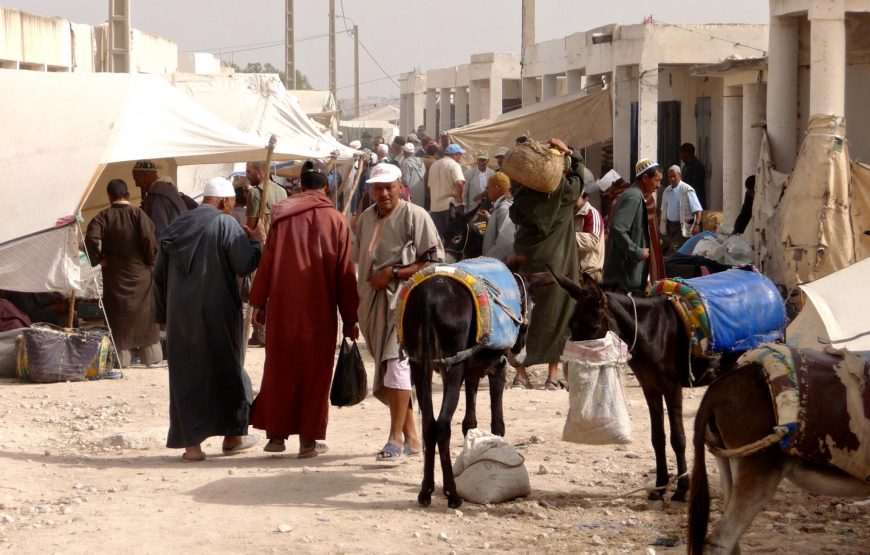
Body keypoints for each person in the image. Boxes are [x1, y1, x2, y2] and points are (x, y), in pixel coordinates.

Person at [248, 169, 359, 458]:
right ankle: (308, 441)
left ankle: (276, 436)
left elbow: (267, 261)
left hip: (283, 308)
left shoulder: (282, 218)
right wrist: (350, 318)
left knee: (279, 370)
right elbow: (345, 274)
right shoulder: (336, 220)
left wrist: (258, 303)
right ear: (326, 188)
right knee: (315, 373)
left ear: (300, 186)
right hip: (319, 311)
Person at [154, 176, 264, 462]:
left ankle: (192, 448)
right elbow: (244, 263)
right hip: (218, 314)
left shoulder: (176, 225)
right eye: (231, 203)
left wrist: (163, 315)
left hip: (180, 316)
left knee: (187, 377)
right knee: (227, 371)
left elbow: (159, 276)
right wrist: (255, 242)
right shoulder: (225, 223)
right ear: (226, 201)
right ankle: (233, 437)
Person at [353, 163, 444, 461]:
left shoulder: (416, 215)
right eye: (377, 187)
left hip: (406, 304)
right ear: (370, 190)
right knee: (391, 370)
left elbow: (433, 261)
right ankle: (413, 439)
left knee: (397, 364)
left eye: (388, 186)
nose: (383, 193)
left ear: (400, 186)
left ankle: (394, 438)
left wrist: (393, 272)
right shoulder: (366, 218)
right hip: (373, 307)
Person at [509, 139, 582, 390]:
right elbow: (582, 177)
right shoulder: (567, 193)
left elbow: (514, 214)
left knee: (521, 315)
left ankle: (520, 374)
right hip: (557, 267)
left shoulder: (523, 199)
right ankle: (552, 377)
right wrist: (570, 152)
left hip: (526, 262)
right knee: (557, 317)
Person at [85, 179, 162, 367]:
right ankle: (151, 359)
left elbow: (92, 238)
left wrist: (99, 259)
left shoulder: (103, 216)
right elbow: (150, 241)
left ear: (110, 196)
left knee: (119, 319)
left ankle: (122, 361)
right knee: (146, 318)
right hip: (141, 276)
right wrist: (150, 261)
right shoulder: (139, 214)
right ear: (127, 195)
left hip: (115, 276)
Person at [602, 158, 663, 293]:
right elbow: (618, 228)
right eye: (657, 180)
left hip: (630, 277)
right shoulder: (633, 197)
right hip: (624, 278)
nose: (659, 185)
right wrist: (637, 251)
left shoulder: (639, 196)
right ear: (645, 178)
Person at [245, 160, 287, 347]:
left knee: (258, 285)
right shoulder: (282, 191)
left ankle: (259, 331)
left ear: (261, 172)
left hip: (262, 242)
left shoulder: (255, 193)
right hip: (280, 242)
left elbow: (252, 225)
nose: (247, 175)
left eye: (249, 171)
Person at [660, 165, 703, 255]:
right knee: (674, 247)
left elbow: (698, 210)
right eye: (670, 176)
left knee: (674, 249)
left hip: (681, 225)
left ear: (680, 176)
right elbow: (663, 209)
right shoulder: (667, 191)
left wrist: (697, 225)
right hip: (669, 225)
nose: (672, 179)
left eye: (674, 176)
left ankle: (671, 266)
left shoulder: (687, 190)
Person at [427, 143, 466, 238]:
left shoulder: (434, 165)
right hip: (451, 208)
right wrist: (459, 198)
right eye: (460, 154)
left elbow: (429, 187)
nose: (460, 157)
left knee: (439, 238)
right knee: (455, 238)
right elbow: (459, 183)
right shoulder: (454, 165)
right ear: (455, 155)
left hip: (435, 208)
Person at [479, 172, 515, 262]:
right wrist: (489, 217)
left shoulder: (504, 208)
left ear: (496, 188)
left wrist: (484, 262)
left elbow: (505, 243)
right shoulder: (501, 207)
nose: (487, 191)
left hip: (496, 268)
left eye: (487, 188)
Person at [574, 188, 605, 282]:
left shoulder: (591, 213)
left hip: (590, 274)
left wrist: (567, 236)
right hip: (577, 274)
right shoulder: (573, 214)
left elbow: (593, 240)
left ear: (584, 196)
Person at [679, 143, 707, 211]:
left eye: (682, 153)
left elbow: (694, 188)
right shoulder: (686, 167)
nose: (680, 156)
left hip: (695, 205)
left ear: (687, 153)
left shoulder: (697, 167)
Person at [400, 142, 426, 207]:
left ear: (405, 152)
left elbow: (405, 180)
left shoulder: (406, 162)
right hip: (420, 193)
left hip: (410, 195)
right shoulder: (421, 161)